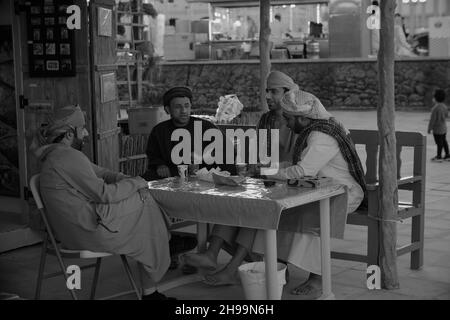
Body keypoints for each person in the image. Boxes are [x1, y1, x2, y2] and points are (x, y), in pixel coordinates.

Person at [31, 105, 174, 300]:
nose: (87, 133)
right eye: (82, 129)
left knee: (143, 207)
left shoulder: (56, 155)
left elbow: (102, 174)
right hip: (88, 231)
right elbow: (104, 194)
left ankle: (163, 240)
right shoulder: (67, 156)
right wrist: (138, 182)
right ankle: (164, 246)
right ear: (69, 134)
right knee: (145, 200)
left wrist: (124, 178)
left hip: (73, 230)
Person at [252, 71, 366, 298]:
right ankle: (277, 267)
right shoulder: (314, 128)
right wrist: (268, 171)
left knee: (312, 215)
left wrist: (268, 173)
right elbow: (298, 166)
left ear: (303, 118)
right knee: (283, 209)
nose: (285, 122)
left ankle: (318, 278)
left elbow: (303, 171)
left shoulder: (322, 135)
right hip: (320, 187)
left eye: (289, 119)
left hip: (343, 193)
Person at [143, 86, 228, 181]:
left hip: (204, 176)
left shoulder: (206, 127)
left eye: (187, 106)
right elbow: (153, 155)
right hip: (172, 175)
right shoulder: (159, 131)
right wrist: (160, 165)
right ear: (168, 109)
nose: (183, 111)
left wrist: (204, 156)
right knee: (145, 179)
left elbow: (227, 151)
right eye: (178, 107)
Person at [428, 89, 450, 162]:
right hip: (444, 128)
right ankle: (447, 155)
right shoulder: (444, 106)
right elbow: (447, 115)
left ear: (435, 98)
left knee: (439, 143)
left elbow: (432, 120)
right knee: (444, 141)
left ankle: (439, 156)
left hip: (437, 129)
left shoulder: (435, 108)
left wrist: (429, 128)